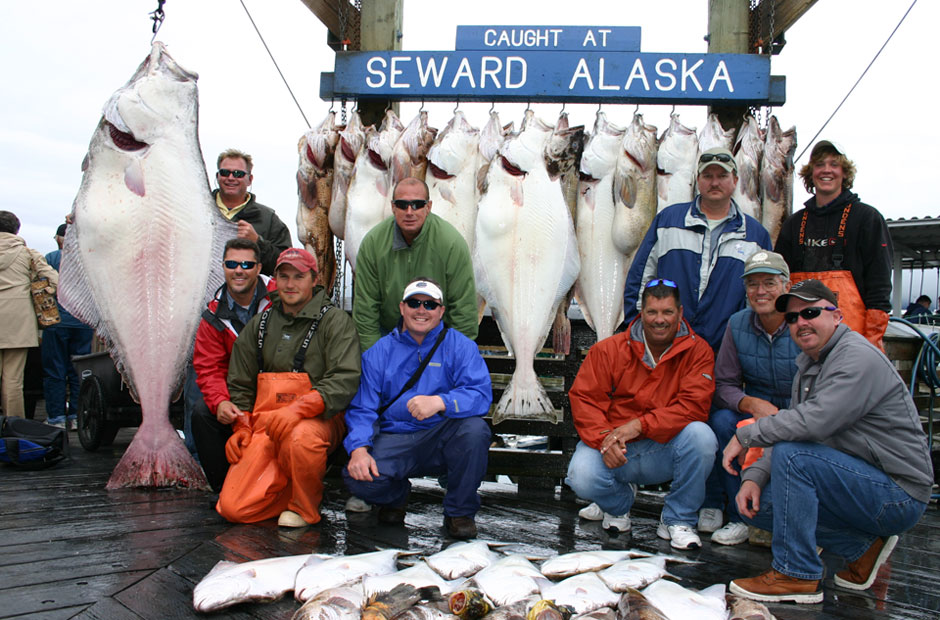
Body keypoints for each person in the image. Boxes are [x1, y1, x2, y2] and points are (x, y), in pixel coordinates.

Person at [724, 279, 933, 604]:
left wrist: (745, 434)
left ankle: (796, 574)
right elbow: (796, 427)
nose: (800, 323)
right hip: (861, 480)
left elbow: (813, 422)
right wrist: (755, 476)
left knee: (795, 457)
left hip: (898, 493)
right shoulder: (810, 364)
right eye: (792, 318)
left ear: (836, 316)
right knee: (759, 506)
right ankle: (863, 550)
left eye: (810, 312)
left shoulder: (855, 357)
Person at [565, 280, 717, 549]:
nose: (660, 320)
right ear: (641, 312)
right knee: (581, 475)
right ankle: (618, 504)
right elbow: (585, 399)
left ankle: (678, 518)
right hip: (614, 448)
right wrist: (605, 439)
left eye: (667, 312)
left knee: (701, 437)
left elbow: (693, 406)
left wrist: (640, 425)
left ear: (680, 313)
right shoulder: (608, 350)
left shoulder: (699, 351)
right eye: (652, 312)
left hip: (663, 449)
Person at [217, 248, 361, 527]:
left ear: (314, 280)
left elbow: (345, 378)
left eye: (299, 276)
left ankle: (304, 508)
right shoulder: (259, 325)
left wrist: (298, 409)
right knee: (233, 510)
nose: (290, 284)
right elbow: (240, 382)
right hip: (266, 425)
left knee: (301, 438)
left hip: (318, 420)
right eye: (284, 276)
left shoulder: (335, 322)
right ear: (276, 279)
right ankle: (289, 489)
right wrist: (242, 427)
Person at [343, 278, 493, 539]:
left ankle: (459, 513)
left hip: (441, 439)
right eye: (414, 303)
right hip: (395, 439)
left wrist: (441, 402)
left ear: (441, 311)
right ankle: (397, 496)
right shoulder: (379, 352)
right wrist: (358, 449)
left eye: (430, 305)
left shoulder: (461, 346)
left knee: (475, 430)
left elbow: (480, 395)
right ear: (402, 308)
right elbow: (362, 408)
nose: (421, 310)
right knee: (357, 477)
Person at [623, 147, 772, 352]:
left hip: (726, 350)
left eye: (722, 176)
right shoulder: (668, 221)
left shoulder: (756, 235)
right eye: (707, 176)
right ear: (698, 180)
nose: (714, 183)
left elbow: (760, 295)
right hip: (667, 347)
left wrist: (747, 347)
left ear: (735, 181)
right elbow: (640, 278)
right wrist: (636, 330)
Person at [698, 251, 799, 546]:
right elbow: (724, 384)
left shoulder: (803, 323)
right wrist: (751, 404)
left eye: (769, 283)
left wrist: (786, 416)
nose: (760, 291)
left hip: (801, 413)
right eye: (752, 284)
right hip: (756, 407)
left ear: (787, 287)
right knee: (722, 421)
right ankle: (738, 516)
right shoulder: (738, 324)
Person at [775, 140, 893, 350]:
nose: (826, 170)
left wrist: (872, 340)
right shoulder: (794, 224)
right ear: (811, 173)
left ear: (845, 172)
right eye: (820, 164)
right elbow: (780, 283)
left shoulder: (867, 218)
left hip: (851, 343)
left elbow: (879, 285)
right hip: (800, 343)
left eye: (834, 164)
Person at [352, 177, 478, 352]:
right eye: (402, 205)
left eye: (417, 204)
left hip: (438, 340)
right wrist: (375, 359)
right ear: (393, 207)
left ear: (429, 207)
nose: (409, 211)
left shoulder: (452, 244)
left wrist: (452, 360)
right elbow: (366, 311)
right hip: (388, 336)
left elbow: (464, 311)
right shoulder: (373, 244)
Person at [190, 238, 274, 492]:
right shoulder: (212, 316)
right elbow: (208, 368)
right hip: (237, 393)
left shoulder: (280, 299)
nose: (239, 270)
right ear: (223, 267)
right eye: (232, 263)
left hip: (275, 391)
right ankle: (225, 488)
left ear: (259, 267)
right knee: (202, 412)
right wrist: (221, 402)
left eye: (247, 264)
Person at [0, 211, 58, 418]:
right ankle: (13, 426)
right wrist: (43, 290)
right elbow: (56, 281)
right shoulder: (28, 254)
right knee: (13, 381)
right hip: (18, 322)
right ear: (16, 230)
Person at [41, 222, 94, 430]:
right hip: (82, 322)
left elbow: (41, 287)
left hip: (55, 322)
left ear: (60, 239)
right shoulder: (89, 258)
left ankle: (56, 418)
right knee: (79, 371)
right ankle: (76, 415)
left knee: (54, 370)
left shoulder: (51, 258)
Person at [213, 149, 292, 275]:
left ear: (250, 179)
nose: (231, 178)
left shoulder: (269, 219)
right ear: (217, 177)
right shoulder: (197, 210)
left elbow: (286, 267)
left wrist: (258, 242)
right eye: (225, 173)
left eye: (238, 174)